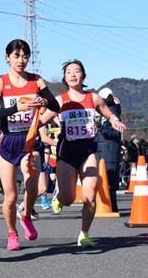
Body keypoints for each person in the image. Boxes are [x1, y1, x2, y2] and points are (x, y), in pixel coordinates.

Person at [40, 60, 125, 246]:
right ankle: (59, 197)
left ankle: (84, 233)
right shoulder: (60, 100)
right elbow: (41, 120)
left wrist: (114, 120)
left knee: (89, 195)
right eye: (68, 72)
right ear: (64, 77)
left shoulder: (93, 98)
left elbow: (108, 113)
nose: (72, 74)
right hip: (67, 152)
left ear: (83, 76)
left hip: (88, 151)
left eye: (77, 71)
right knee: (69, 198)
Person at [0, 39, 60, 251]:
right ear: (7, 58)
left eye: (25, 56)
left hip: (30, 141)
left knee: (34, 185)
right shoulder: (0, 83)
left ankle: (26, 215)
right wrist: (16, 107)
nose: (21, 60)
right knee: (10, 196)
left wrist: (44, 102)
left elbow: (55, 105)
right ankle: (12, 233)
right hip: (8, 142)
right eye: (16, 56)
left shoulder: (36, 81)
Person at [95, 87, 123, 212]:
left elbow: (116, 133)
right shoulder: (104, 112)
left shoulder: (113, 113)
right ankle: (106, 206)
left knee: (109, 179)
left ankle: (111, 207)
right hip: (102, 148)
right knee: (103, 178)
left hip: (110, 149)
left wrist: (100, 126)